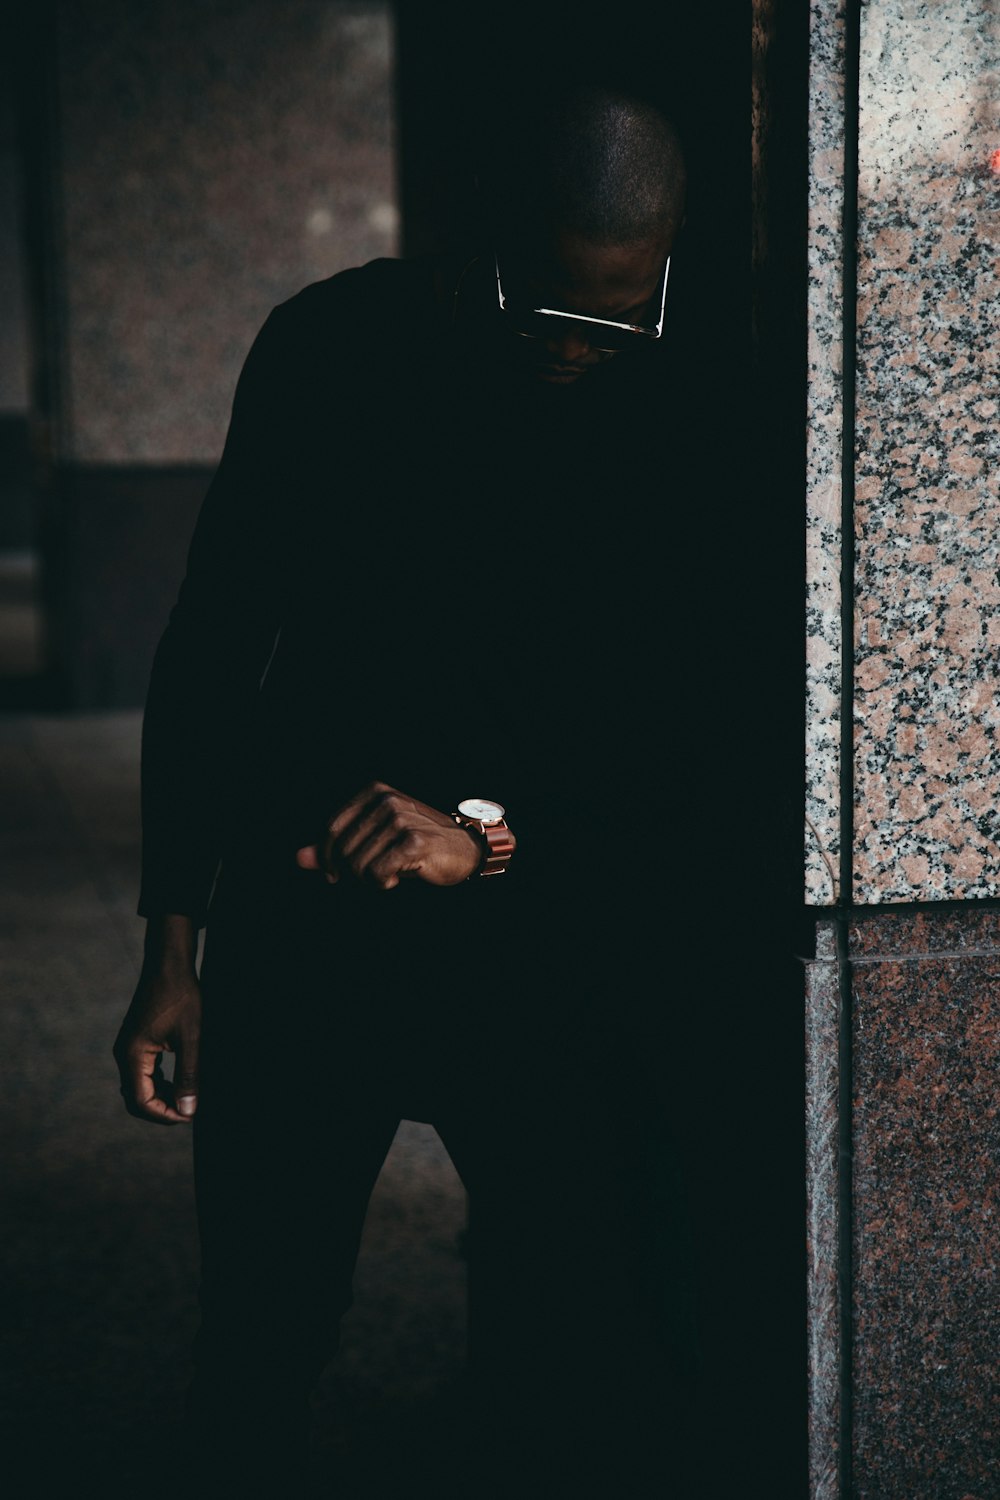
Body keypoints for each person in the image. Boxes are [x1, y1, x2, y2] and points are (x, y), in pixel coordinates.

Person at [114, 78, 704, 1497]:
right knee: (259, 1334)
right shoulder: (331, 343)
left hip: (542, 945)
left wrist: (489, 839)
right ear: (485, 246)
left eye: (625, 313)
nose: (587, 347)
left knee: (566, 1341)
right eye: (557, 310)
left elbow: (687, 737)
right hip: (306, 923)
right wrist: (171, 941)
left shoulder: (692, 389)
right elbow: (213, 647)